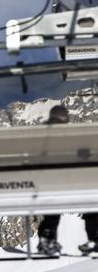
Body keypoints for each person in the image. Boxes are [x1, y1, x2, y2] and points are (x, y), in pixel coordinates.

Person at [37, 105, 98, 255]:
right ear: (65, 118)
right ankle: (95, 238)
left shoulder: (40, 136)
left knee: (52, 208)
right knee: (92, 203)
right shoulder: (70, 134)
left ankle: (47, 240)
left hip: (47, 184)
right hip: (71, 182)